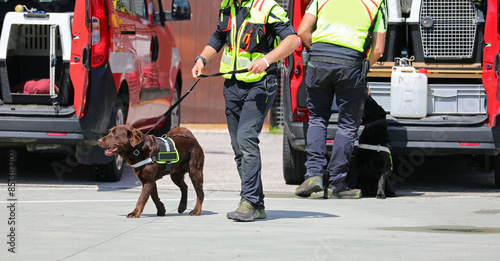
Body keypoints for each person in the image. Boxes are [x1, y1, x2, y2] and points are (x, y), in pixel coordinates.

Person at [191, 0, 299, 221]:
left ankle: (248, 201)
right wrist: (202, 58)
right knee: (238, 147)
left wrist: (267, 59)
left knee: (246, 139)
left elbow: (293, 40)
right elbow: (219, 35)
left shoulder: (268, 7)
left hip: (260, 85)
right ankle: (256, 203)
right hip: (232, 84)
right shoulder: (227, 6)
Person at [294, 0, 387, 199]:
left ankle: (314, 175)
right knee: (347, 125)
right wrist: (364, 66)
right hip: (351, 65)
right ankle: (336, 183)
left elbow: (302, 31)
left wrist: (320, 52)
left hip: (318, 63)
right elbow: (378, 49)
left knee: (317, 119)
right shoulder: (376, 3)